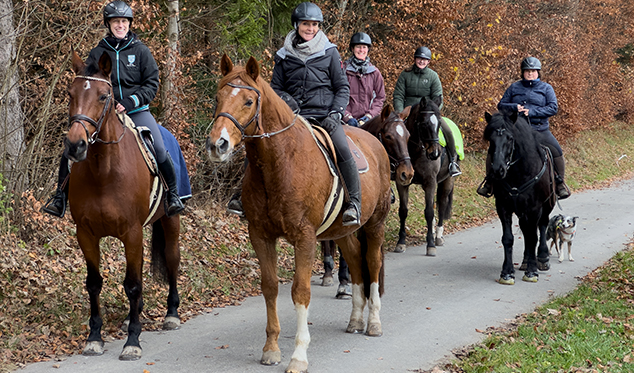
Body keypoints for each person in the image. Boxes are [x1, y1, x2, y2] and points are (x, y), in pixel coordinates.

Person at [42, 0, 185, 218]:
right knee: (70, 148)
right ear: (108, 24)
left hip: (137, 111)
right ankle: (59, 198)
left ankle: (173, 196)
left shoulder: (141, 51)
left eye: (124, 21)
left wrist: (130, 102)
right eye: (116, 22)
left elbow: (152, 83)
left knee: (157, 147)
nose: (120, 25)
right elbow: (86, 82)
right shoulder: (98, 52)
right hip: (102, 113)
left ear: (129, 24)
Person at [228, 2, 360, 226]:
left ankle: (353, 203)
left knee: (342, 147)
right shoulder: (284, 55)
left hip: (323, 116)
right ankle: (241, 197)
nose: (310, 28)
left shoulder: (329, 52)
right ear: (297, 25)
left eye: (314, 25)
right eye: (306, 24)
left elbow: (342, 87)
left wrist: (336, 113)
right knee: (257, 145)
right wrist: (287, 102)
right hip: (291, 117)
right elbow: (275, 88)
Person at [477, 56, 570, 199]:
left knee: (556, 150)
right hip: (517, 131)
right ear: (522, 72)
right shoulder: (514, 87)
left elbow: (553, 108)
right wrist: (515, 107)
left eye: (533, 71)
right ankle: (489, 182)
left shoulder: (546, 88)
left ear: (538, 72)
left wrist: (532, 112)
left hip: (539, 129)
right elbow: (501, 105)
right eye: (527, 71)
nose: (530, 73)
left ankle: (560, 183)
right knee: (494, 149)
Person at [393, 46, 461, 177]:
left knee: (447, 130)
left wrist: (433, 112)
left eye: (425, 60)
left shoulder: (433, 76)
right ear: (415, 59)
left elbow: (438, 97)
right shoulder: (405, 74)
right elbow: (398, 95)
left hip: (428, 113)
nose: (421, 61)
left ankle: (453, 162)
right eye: (419, 59)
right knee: (392, 132)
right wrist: (401, 113)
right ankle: (390, 164)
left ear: (428, 61)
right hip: (409, 112)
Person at [342, 32, 386, 127]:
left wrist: (369, 116)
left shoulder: (374, 72)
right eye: (358, 47)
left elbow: (380, 97)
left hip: (368, 122)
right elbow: (337, 94)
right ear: (352, 48)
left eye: (364, 47)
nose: (361, 50)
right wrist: (347, 117)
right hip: (346, 122)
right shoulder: (343, 71)